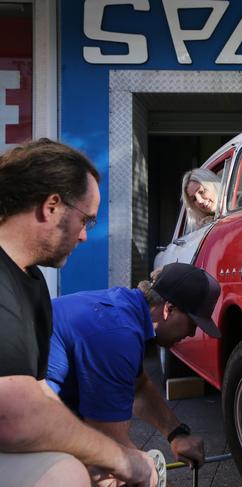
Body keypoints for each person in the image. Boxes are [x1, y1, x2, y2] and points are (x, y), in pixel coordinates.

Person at [0, 138, 157, 487]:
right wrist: (122, 459)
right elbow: (15, 417)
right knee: (63, 474)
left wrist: (95, 456)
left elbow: (40, 392)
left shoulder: (32, 280)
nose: (85, 235)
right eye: (86, 219)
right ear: (52, 206)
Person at [46, 262, 221, 470]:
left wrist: (176, 434)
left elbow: (139, 388)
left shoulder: (128, 309)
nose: (192, 334)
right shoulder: (118, 335)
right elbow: (110, 448)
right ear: (169, 309)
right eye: (192, 324)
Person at [181, 168, 221, 232]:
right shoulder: (200, 226)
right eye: (194, 199)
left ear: (214, 185)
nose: (200, 201)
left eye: (202, 192)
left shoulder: (240, 203)